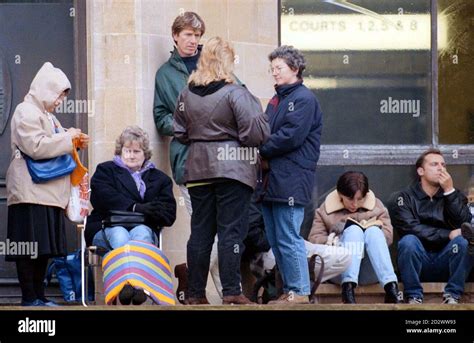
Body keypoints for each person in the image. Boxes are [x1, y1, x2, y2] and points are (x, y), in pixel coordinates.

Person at [173, 36, 270, 305]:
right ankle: (231, 291)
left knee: (201, 232)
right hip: (233, 171)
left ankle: (194, 294)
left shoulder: (186, 93)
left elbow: (179, 131)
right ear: (227, 62)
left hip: (198, 169)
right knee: (231, 231)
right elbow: (256, 132)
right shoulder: (236, 92)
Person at [6, 62, 89, 306]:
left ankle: (39, 297)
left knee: (42, 248)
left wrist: (73, 139)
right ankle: (29, 298)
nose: (60, 102)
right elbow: (36, 146)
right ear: (46, 90)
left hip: (47, 192)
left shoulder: (47, 115)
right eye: (58, 95)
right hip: (29, 191)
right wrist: (68, 137)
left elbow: (54, 141)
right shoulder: (25, 111)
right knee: (29, 248)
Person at [258, 45, 323, 304]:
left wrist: (259, 149)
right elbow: (264, 130)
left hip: (291, 180)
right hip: (272, 180)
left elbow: (290, 137)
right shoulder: (276, 100)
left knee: (288, 237)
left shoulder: (304, 99)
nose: (274, 73)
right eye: (272, 68)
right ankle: (289, 291)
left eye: (279, 68)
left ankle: (299, 292)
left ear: (295, 69)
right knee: (276, 239)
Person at [85, 126, 176, 305]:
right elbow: (103, 198)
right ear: (120, 151)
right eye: (127, 151)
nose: (131, 155)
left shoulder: (160, 179)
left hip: (143, 229)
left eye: (136, 151)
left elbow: (168, 213)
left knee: (141, 232)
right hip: (105, 227)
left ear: (145, 154)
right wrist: (136, 207)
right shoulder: (105, 171)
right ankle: (131, 283)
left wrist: (152, 211)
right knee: (120, 234)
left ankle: (132, 285)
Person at [390, 148, 473, 304]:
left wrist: (449, 191)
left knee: (463, 241)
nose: (441, 168)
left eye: (443, 164)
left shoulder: (455, 195)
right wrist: (447, 234)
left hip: (447, 261)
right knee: (408, 241)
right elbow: (409, 227)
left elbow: (464, 224)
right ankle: (414, 296)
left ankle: (453, 295)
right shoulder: (403, 198)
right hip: (418, 262)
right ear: (421, 171)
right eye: (434, 164)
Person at [309, 171, 402, 304]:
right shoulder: (325, 210)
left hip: (373, 270)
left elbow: (388, 236)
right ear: (340, 195)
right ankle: (348, 290)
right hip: (340, 271)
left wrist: (369, 230)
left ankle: (391, 288)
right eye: (350, 199)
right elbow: (314, 239)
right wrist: (337, 239)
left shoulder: (377, 206)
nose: (355, 204)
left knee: (374, 232)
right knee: (353, 231)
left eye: (360, 199)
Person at [153, 11, 205, 214]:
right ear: (175, 35)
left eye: (197, 35)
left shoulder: (212, 65)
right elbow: (160, 117)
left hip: (220, 158)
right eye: (188, 34)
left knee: (225, 227)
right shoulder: (165, 74)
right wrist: (184, 125)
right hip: (187, 158)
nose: (193, 40)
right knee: (200, 225)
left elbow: (239, 96)